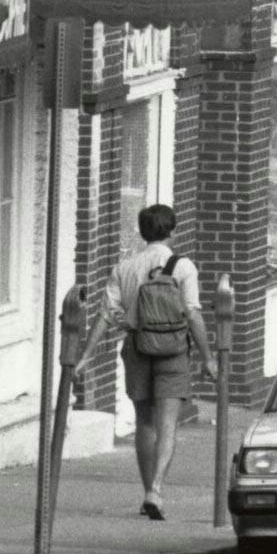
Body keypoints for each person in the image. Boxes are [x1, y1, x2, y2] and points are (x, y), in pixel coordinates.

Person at [82, 204, 217, 520]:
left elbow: (105, 316)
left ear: (142, 233)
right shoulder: (183, 268)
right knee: (167, 423)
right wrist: (208, 358)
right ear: (173, 232)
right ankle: (156, 489)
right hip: (173, 350)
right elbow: (193, 314)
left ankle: (147, 492)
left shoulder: (124, 268)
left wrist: (85, 356)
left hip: (137, 348)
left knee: (144, 421)